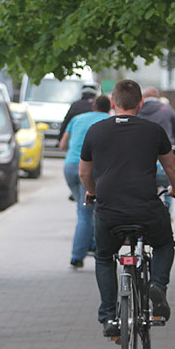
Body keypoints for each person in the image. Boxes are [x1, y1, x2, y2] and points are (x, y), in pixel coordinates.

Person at [79, 80, 175, 337]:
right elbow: (171, 168)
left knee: (104, 257)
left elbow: (84, 172)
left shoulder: (95, 131)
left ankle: (108, 317)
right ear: (140, 103)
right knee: (163, 244)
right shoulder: (154, 130)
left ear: (113, 103)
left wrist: (93, 192)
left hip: (109, 212)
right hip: (146, 209)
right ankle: (157, 285)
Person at [59, 94, 111, 268]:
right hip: (91, 168)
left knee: (84, 209)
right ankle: (78, 254)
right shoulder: (109, 120)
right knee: (87, 212)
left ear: (94, 107)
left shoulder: (77, 119)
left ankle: (89, 244)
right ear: (109, 107)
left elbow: (62, 145)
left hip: (70, 167)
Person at [138, 87, 175, 213]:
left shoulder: (138, 111)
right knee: (168, 178)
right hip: (166, 150)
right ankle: (167, 209)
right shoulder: (167, 110)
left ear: (143, 97)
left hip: (143, 154)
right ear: (156, 96)